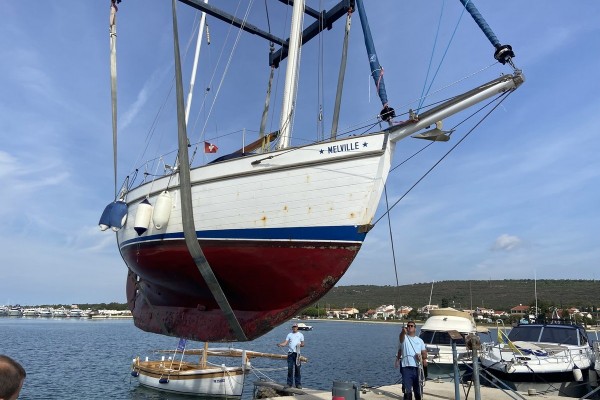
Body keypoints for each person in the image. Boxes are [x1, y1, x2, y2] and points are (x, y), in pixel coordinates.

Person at [397, 321, 427, 400]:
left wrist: (422, 357)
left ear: (415, 328)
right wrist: (403, 332)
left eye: (411, 326)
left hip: (417, 367)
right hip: (406, 367)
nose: (410, 327)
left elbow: (424, 353)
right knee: (407, 391)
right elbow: (401, 339)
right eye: (408, 326)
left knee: (418, 391)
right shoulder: (404, 338)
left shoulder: (420, 341)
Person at [277, 322, 305, 389]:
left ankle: (298, 384)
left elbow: (303, 344)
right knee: (290, 369)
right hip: (290, 353)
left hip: (297, 354)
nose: (294, 328)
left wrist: (299, 345)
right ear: (292, 328)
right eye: (293, 327)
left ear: (297, 328)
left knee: (297, 369)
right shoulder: (289, 334)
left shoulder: (301, 335)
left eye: (295, 327)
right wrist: (280, 344)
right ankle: (289, 383)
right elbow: (285, 343)